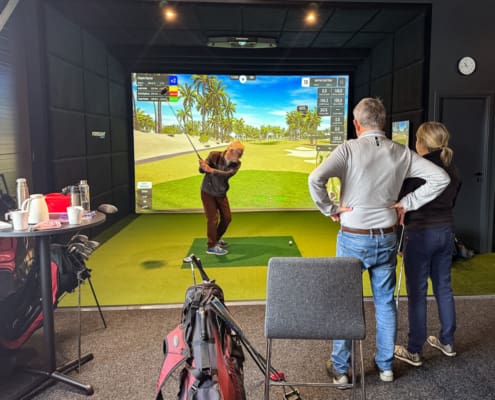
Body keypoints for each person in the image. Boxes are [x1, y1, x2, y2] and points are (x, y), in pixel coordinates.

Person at [308, 98, 451, 384]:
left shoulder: (348, 149)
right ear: (383, 122)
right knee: (385, 303)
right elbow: (441, 178)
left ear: (356, 123)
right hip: (386, 237)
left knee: (345, 301)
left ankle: (341, 370)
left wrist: (330, 209)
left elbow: (315, 179)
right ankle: (385, 367)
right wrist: (406, 203)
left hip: (353, 238)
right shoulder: (401, 151)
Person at [393, 122, 462, 367]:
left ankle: (414, 350)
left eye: (417, 139)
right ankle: (447, 342)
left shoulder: (418, 169)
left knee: (418, 293)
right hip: (446, 232)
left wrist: (400, 241)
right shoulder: (452, 167)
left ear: (422, 143)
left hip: (420, 234)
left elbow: (402, 205)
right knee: (443, 287)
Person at [199, 141, 245, 256]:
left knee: (227, 218)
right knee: (213, 218)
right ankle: (211, 246)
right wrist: (202, 166)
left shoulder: (237, 164)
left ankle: (216, 238)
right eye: (238, 153)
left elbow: (226, 174)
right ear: (230, 150)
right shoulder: (214, 155)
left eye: (240, 154)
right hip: (208, 191)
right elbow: (201, 171)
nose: (239, 156)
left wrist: (210, 170)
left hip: (221, 192)